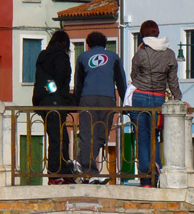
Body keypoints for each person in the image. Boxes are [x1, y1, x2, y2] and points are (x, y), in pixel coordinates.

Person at [130, 20, 182, 187]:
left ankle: (145, 179)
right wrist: (178, 98)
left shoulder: (140, 54)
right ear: (157, 33)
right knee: (155, 136)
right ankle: (156, 172)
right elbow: (173, 82)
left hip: (139, 97)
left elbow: (134, 76)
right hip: (158, 99)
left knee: (142, 137)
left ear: (143, 35)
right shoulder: (170, 54)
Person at [73, 31, 127, 184]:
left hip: (87, 99)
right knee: (101, 135)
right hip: (107, 99)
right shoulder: (114, 57)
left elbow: (78, 83)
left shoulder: (82, 57)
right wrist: (125, 103)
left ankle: (83, 165)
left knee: (86, 134)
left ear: (88, 44)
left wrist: (75, 104)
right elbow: (121, 81)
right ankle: (89, 170)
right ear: (105, 44)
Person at [32, 30, 76, 184]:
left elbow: (41, 80)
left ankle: (61, 171)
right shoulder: (60, 58)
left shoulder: (42, 57)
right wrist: (66, 98)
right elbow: (61, 80)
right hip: (56, 103)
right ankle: (56, 174)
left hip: (43, 103)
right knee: (60, 139)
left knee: (58, 137)